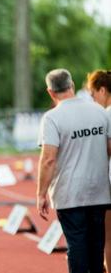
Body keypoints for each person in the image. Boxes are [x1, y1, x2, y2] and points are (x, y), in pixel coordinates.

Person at [37, 68, 111, 273]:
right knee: (96, 246)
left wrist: (41, 193)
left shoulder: (52, 118)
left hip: (69, 193)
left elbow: (48, 159)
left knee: (77, 244)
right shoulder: (100, 112)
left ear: (51, 92)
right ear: (72, 85)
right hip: (99, 191)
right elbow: (109, 149)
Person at [87, 69, 111, 272]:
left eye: (93, 94)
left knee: (108, 238)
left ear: (102, 90)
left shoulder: (106, 114)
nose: (93, 100)